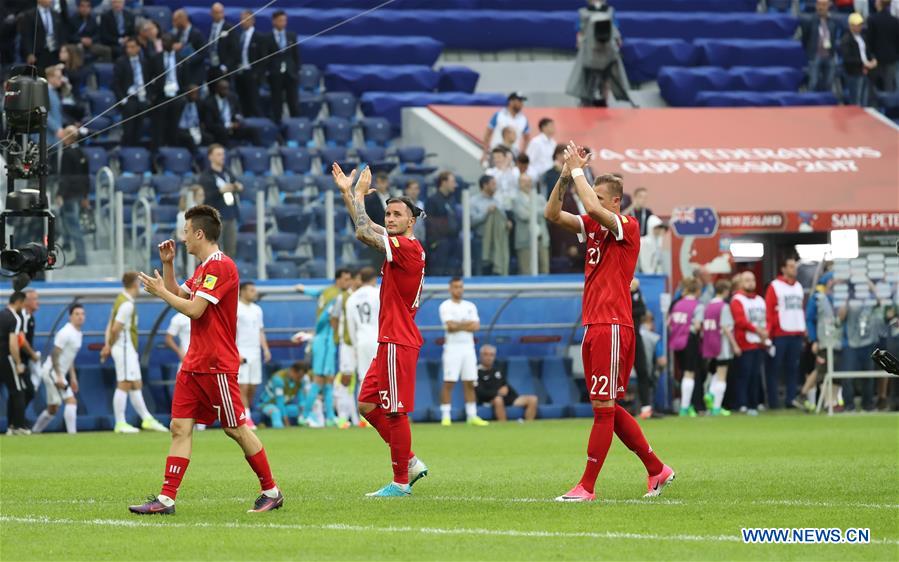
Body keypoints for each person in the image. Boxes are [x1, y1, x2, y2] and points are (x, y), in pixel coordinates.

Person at [129, 205, 283, 515]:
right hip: (194, 363)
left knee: (235, 428)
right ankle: (166, 499)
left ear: (199, 233)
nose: (183, 239)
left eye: (186, 232)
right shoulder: (203, 268)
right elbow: (181, 296)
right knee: (179, 427)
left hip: (216, 364)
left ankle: (272, 490)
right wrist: (168, 266)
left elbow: (194, 309)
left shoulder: (221, 266)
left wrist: (160, 291)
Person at [545, 142, 673, 502]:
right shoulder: (593, 227)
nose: (595, 202)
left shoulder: (626, 227)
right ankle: (657, 469)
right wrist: (564, 176)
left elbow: (588, 205)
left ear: (615, 201)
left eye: (602, 197)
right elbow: (553, 214)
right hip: (596, 323)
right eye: (595, 195)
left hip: (613, 323)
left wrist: (579, 173)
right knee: (608, 407)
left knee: (603, 409)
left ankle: (586, 486)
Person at [332, 163, 429, 497]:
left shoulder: (409, 248)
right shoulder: (398, 244)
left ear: (411, 221)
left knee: (395, 410)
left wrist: (359, 194)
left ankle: (401, 481)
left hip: (398, 340)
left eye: (396, 215)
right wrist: (349, 194)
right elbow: (366, 225)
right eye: (387, 214)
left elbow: (362, 232)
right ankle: (410, 462)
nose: (389, 219)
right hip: (389, 339)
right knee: (367, 405)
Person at [100, 272, 168, 434]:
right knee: (124, 383)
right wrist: (109, 345)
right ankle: (120, 422)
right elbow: (116, 328)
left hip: (126, 348)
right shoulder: (127, 304)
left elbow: (110, 324)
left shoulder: (121, 299)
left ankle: (147, 419)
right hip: (123, 347)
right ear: (135, 284)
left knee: (136, 383)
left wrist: (107, 345)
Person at [295, 269, 353, 426]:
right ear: (338, 280)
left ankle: (329, 418)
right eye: (346, 279)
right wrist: (319, 333)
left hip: (326, 340)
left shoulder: (327, 291)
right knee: (320, 379)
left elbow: (315, 292)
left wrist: (302, 289)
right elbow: (325, 318)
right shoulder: (337, 296)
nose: (348, 283)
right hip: (325, 340)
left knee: (328, 380)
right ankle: (305, 416)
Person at [438, 278, 489, 426]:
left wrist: (458, 324)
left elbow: (476, 326)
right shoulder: (445, 306)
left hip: (468, 348)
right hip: (452, 348)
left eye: (460, 287)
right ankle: (446, 416)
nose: (458, 290)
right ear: (450, 289)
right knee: (449, 382)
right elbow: (450, 326)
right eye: (455, 287)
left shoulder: (470, 306)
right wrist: (466, 324)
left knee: (470, 382)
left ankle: (472, 415)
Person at [32, 304, 85, 434]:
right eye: (77, 314)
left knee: (53, 408)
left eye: (82, 314)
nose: (80, 317)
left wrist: (72, 377)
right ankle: (72, 434)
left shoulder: (78, 334)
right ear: (70, 317)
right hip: (51, 372)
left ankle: (34, 432)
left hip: (58, 372)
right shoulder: (65, 332)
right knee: (71, 400)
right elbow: (55, 354)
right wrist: (59, 375)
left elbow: (70, 356)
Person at [765, 257, 806, 409]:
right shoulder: (775, 286)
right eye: (790, 266)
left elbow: (800, 309)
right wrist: (769, 334)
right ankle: (773, 401)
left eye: (794, 266)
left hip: (796, 333)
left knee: (793, 369)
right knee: (774, 369)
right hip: (780, 333)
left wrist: (803, 330)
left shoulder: (799, 287)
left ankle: (791, 399)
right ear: (783, 269)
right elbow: (769, 311)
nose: (793, 269)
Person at [800, 271, 843, 411]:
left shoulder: (840, 298)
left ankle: (831, 402)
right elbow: (810, 319)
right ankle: (806, 396)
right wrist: (814, 340)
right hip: (824, 340)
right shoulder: (817, 298)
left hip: (838, 340)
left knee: (835, 371)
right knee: (821, 370)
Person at [838, 281, 882, 411]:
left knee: (868, 376)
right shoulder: (849, 298)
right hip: (851, 343)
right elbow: (841, 316)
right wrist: (847, 299)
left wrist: (871, 286)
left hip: (868, 342)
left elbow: (881, 302)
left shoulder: (870, 298)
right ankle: (849, 405)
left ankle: (867, 405)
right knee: (847, 377)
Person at [731, 271, 768, 415]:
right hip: (744, 342)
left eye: (752, 280)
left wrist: (765, 333)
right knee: (744, 375)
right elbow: (740, 321)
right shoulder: (737, 299)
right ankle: (742, 403)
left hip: (759, 342)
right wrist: (757, 330)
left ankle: (755, 402)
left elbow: (766, 318)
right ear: (741, 282)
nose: (750, 283)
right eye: (747, 280)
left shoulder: (759, 299)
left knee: (756, 374)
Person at [701, 280, 740, 416]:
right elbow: (725, 327)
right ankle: (716, 406)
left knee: (715, 373)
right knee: (722, 374)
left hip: (709, 344)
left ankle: (711, 394)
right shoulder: (724, 307)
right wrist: (734, 345)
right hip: (721, 344)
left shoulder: (708, 306)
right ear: (725, 291)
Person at [669, 278, 706, 417]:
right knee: (690, 373)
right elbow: (697, 326)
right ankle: (685, 407)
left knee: (684, 372)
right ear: (697, 290)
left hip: (676, 341)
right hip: (689, 339)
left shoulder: (677, 304)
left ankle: (686, 405)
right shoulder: (698, 305)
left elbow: (670, 323)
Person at [237, 282, 271, 431]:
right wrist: (236, 352)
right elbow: (230, 332)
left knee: (252, 386)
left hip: (255, 352)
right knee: (242, 386)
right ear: (242, 292)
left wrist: (266, 349)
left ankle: (245, 413)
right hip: (241, 350)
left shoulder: (257, 309)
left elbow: (260, 331)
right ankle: (246, 419)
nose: (254, 293)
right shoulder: (235, 308)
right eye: (251, 290)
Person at [199, 144, 242, 258]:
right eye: (218, 154)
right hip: (215, 218)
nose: (222, 157)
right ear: (210, 157)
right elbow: (206, 195)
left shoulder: (227, 172)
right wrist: (220, 191)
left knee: (231, 249)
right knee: (216, 250)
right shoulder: (206, 176)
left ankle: (228, 274)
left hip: (230, 214)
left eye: (223, 154)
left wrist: (237, 187)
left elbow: (236, 184)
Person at [475, 344, 538, 422]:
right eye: (486, 354)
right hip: (488, 400)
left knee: (533, 399)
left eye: (491, 355)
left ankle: (528, 426)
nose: (489, 358)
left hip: (506, 398)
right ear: (480, 356)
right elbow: (480, 392)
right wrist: (497, 393)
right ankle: (504, 426)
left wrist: (512, 395)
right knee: (498, 400)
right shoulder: (476, 372)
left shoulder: (497, 370)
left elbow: (505, 386)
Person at [150, 33, 189, 149]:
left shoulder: (181, 59)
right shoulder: (155, 58)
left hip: (177, 95)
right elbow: (150, 76)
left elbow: (185, 78)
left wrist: (183, 93)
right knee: (159, 124)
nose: (163, 43)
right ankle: (158, 148)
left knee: (175, 124)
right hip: (161, 95)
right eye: (162, 41)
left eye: (167, 41)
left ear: (173, 43)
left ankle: (174, 147)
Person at [346, 267, 380, 394]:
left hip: (362, 341)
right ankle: (384, 412)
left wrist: (356, 345)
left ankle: (364, 414)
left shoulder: (352, 298)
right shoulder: (379, 293)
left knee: (364, 378)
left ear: (360, 279)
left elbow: (351, 326)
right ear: (374, 279)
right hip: (379, 340)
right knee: (383, 377)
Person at [112, 36, 152, 147]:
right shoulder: (121, 62)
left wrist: (148, 97)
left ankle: (136, 148)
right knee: (128, 129)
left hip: (142, 97)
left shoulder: (144, 62)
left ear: (138, 48)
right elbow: (116, 83)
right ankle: (127, 147)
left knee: (140, 127)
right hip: (128, 98)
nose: (129, 49)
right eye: (128, 47)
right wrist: (122, 99)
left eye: (132, 47)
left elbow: (148, 80)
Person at [201, 79, 262, 147]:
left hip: (233, 127)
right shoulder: (209, 102)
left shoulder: (232, 97)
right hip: (219, 129)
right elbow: (209, 124)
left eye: (227, 89)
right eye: (223, 89)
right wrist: (226, 126)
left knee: (253, 130)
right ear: (217, 89)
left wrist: (237, 122)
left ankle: (258, 150)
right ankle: (228, 152)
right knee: (223, 131)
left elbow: (238, 113)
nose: (226, 91)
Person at [470, 174, 511, 276]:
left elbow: (503, 219)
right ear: (485, 185)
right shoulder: (473, 201)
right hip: (480, 240)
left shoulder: (497, 202)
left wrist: (508, 224)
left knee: (497, 269)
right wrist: (486, 213)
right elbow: (471, 221)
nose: (495, 186)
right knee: (481, 269)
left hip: (496, 243)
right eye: (493, 184)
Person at [265, 10, 300, 122]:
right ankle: (277, 124)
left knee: (293, 101)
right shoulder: (267, 37)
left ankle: (295, 124)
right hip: (275, 74)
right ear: (274, 21)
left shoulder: (291, 35)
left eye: (284, 20)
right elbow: (265, 57)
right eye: (280, 20)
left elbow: (296, 55)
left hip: (290, 73)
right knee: (276, 101)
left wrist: (296, 70)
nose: (283, 23)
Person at [1, 293, 29, 435]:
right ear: (19, 302)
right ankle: (18, 426)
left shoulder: (1, 314)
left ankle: (11, 427)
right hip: (6, 358)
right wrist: (18, 363)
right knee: (18, 391)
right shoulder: (14, 318)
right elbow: (13, 343)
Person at [512, 174, 550, 274]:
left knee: (544, 269)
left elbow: (547, 212)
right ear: (519, 184)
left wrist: (530, 211)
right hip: (525, 240)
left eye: (529, 181)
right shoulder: (515, 199)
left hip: (541, 238)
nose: (527, 184)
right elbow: (523, 215)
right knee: (526, 271)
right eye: (524, 181)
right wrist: (538, 211)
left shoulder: (540, 198)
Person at [229, 11, 265, 117]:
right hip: (240, 73)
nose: (243, 22)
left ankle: (257, 124)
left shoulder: (259, 37)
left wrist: (257, 74)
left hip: (252, 73)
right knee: (242, 102)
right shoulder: (239, 36)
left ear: (253, 21)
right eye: (242, 20)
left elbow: (263, 58)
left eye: (246, 19)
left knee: (253, 102)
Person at [424, 171, 459, 276]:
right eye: (452, 181)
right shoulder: (432, 200)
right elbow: (430, 223)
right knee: (443, 247)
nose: (455, 185)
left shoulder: (452, 199)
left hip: (453, 238)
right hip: (438, 240)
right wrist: (447, 226)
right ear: (444, 182)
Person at [802, 0, 841, 92]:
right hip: (815, 55)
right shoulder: (810, 21)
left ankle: (827, 104)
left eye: (823, 5)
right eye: (819, 4)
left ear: (828, 6)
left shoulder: (833, 22)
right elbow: (805, 38)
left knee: (829, 82)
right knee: (813, 82)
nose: (821, 7)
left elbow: (834, 37)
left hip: (829, 55)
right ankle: (811, 104)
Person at [840, 12, 878, 105]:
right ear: (850, 25)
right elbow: (847, 59)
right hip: (854, 73)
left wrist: (872, 60)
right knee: (856, 100)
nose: (858, 27)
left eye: (860, 25)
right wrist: (863, 64)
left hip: (866, 72)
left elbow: (867, 53)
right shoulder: (846, 40)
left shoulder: (863, 38)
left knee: (865, 100)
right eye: (856, 25)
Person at [482, 92, 530, 164]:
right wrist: (485, 153)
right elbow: (487, 134)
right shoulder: (499, 115)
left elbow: (527, 138)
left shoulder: (523, 119)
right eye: (519, 101)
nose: (521, 104)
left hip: (514, 154)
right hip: (496, 152)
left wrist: (523, 153)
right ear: (511, 101)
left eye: (522, 101)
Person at [258, 362, 307, 429]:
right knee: (276, 412)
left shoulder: (300, 381)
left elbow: (302, 399)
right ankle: (279, 431)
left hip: (284, 406)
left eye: (302, 377)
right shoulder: (278, 379)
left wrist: (304, 410)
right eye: (299, 376)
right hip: (267, 405)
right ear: (292, 371)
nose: (300, 378)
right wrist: (286, 421)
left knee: (301, 410)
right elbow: (279, 402)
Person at [19, 0, 62, 71]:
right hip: (38, 53)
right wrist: (29, 53)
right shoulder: (29, 15)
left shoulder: (55, 14)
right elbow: (26, 36)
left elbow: (60, 33)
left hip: (54, 52)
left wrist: (62, 48)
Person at [866, 0, 899, 92]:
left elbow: (869, 41)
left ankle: (874, 105)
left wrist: (871, 56)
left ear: (879, 3)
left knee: (875, 88)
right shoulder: (895, 21)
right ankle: (889, 105)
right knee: (889, 86)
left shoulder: (872, 19)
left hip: (876, 59)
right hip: (891, 58)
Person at [19, 289, 41, 411]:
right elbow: (21, 339)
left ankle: (16, 423)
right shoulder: (23, 316)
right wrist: (33, 354)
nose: (38, 302)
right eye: (35, 299)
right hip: (18, 360)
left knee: (22, 392)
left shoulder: (30, 317)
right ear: (26, 301)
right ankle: (16, 423)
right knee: (26, 391)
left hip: (24, 360)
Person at [170, 9, 205, 86]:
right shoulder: (177, 34)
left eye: (175, 20)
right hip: (183, 76)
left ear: (183, 19)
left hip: (194, 74)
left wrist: (187, 60)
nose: (174, 23)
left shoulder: (197, 34)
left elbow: (203, 54)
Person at [403, 179, 426, 244]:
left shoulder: (421, 205)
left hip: (419, 240)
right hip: (405, 240)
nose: (413, 191)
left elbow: (423, 223)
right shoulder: (402, 206)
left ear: (419, 191)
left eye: (416, 189)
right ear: (406, 191)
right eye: (411, 189)